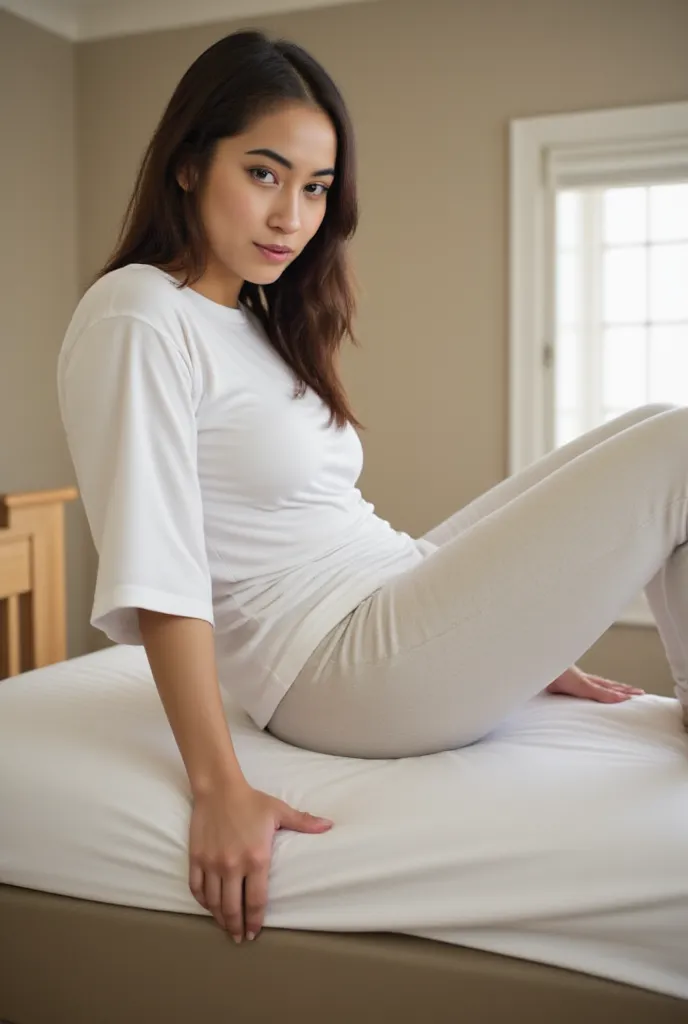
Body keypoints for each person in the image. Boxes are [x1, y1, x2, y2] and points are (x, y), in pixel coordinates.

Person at [58, 29, 687, 948]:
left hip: (378, 602)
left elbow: (335, 526)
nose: (292, 217)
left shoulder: (252, 318)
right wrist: (217, 786)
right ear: (189, 164)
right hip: (332, 669)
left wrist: (517, 631)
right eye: (265, 174)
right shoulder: (138, 314)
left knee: (654, 423)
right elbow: (159, 568)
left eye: (314, 188)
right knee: (680, 446)